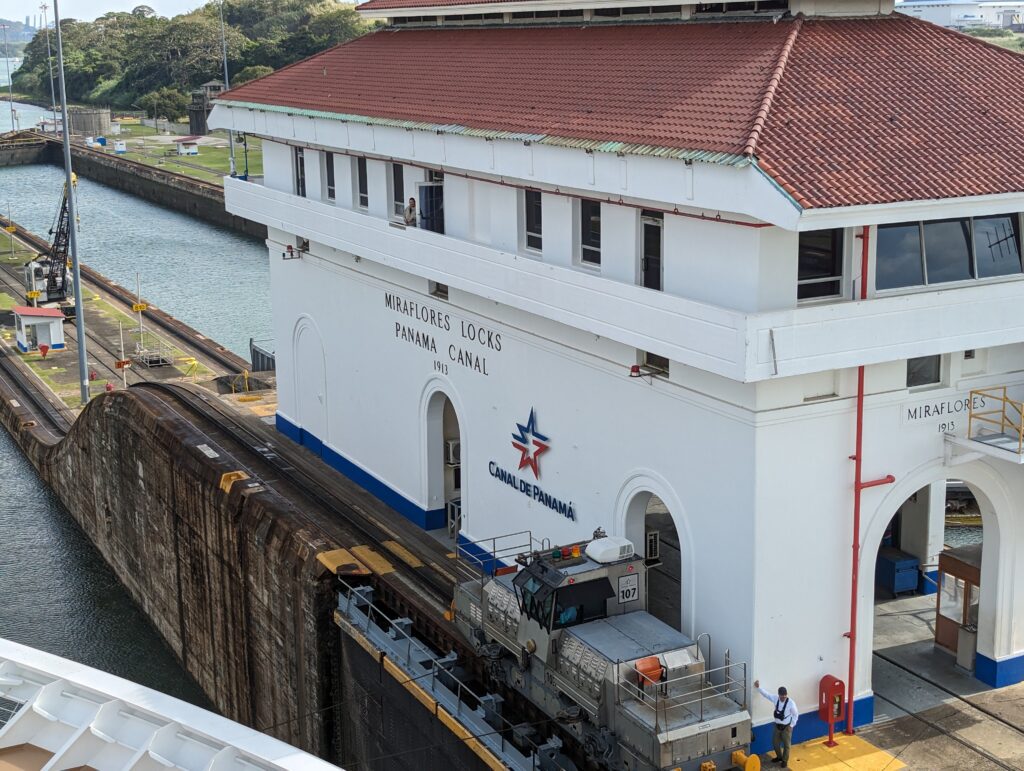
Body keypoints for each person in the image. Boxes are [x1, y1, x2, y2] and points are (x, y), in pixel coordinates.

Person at [755, 679, 798, 767]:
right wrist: (758, 688)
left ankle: (785, 761)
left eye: (785, 696)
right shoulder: (775, 698)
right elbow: (766, 695)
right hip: (777, 726)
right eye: (782, 696)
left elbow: (795, 714)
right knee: (775, 743)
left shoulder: (791, 703)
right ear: (778, 695)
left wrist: (791, 725)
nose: (783, 698)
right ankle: (779, 757)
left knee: (787, 745)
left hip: (786, 727)